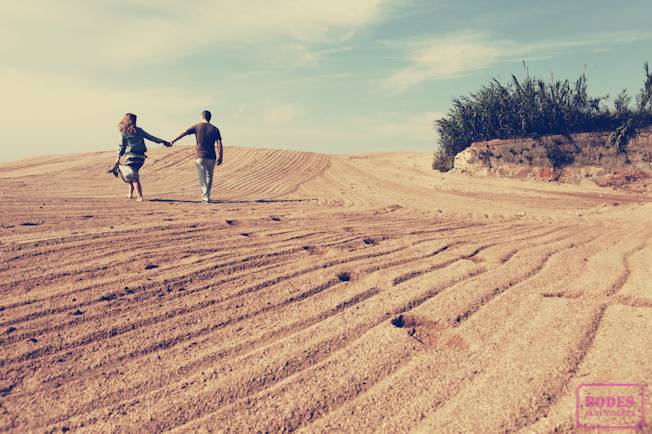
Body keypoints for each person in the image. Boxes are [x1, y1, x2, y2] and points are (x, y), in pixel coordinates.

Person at [109, 113, 170, 201]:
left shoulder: (123, 132)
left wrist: (117, 158)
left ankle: (140, 196)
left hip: (131, 157)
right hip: (141, 158)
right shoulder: (139, 130)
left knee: (134, 177)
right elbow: (151, 137)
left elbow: (121, 146)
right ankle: (130, 194)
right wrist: (163, 141)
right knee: (132, 174)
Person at [170, 110, 223, 203]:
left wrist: (173, 141)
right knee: (209, 176)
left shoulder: (197, 126)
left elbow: (184, 133)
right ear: (209, 118)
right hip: (212, 157)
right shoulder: (215, 129)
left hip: (200, 156)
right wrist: (220, 156)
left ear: (202, 116)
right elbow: (219, 143)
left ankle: (205, 196)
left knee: (202, 177)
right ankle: (207, 195)